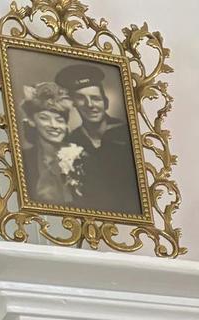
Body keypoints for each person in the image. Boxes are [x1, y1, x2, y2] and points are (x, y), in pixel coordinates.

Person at [54, 61, 141, 215]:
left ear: (105, 102)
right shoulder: (70, 143)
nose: (90, 105)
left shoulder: (128, 135)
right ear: (74, 104)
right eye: (81, 98)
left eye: (95, 98)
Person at [19, 82, 80, 206]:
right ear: (32, 121)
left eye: (59, 120)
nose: (54, 125)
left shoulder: (81, 157)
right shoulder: (22, 159)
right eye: (44, 118)